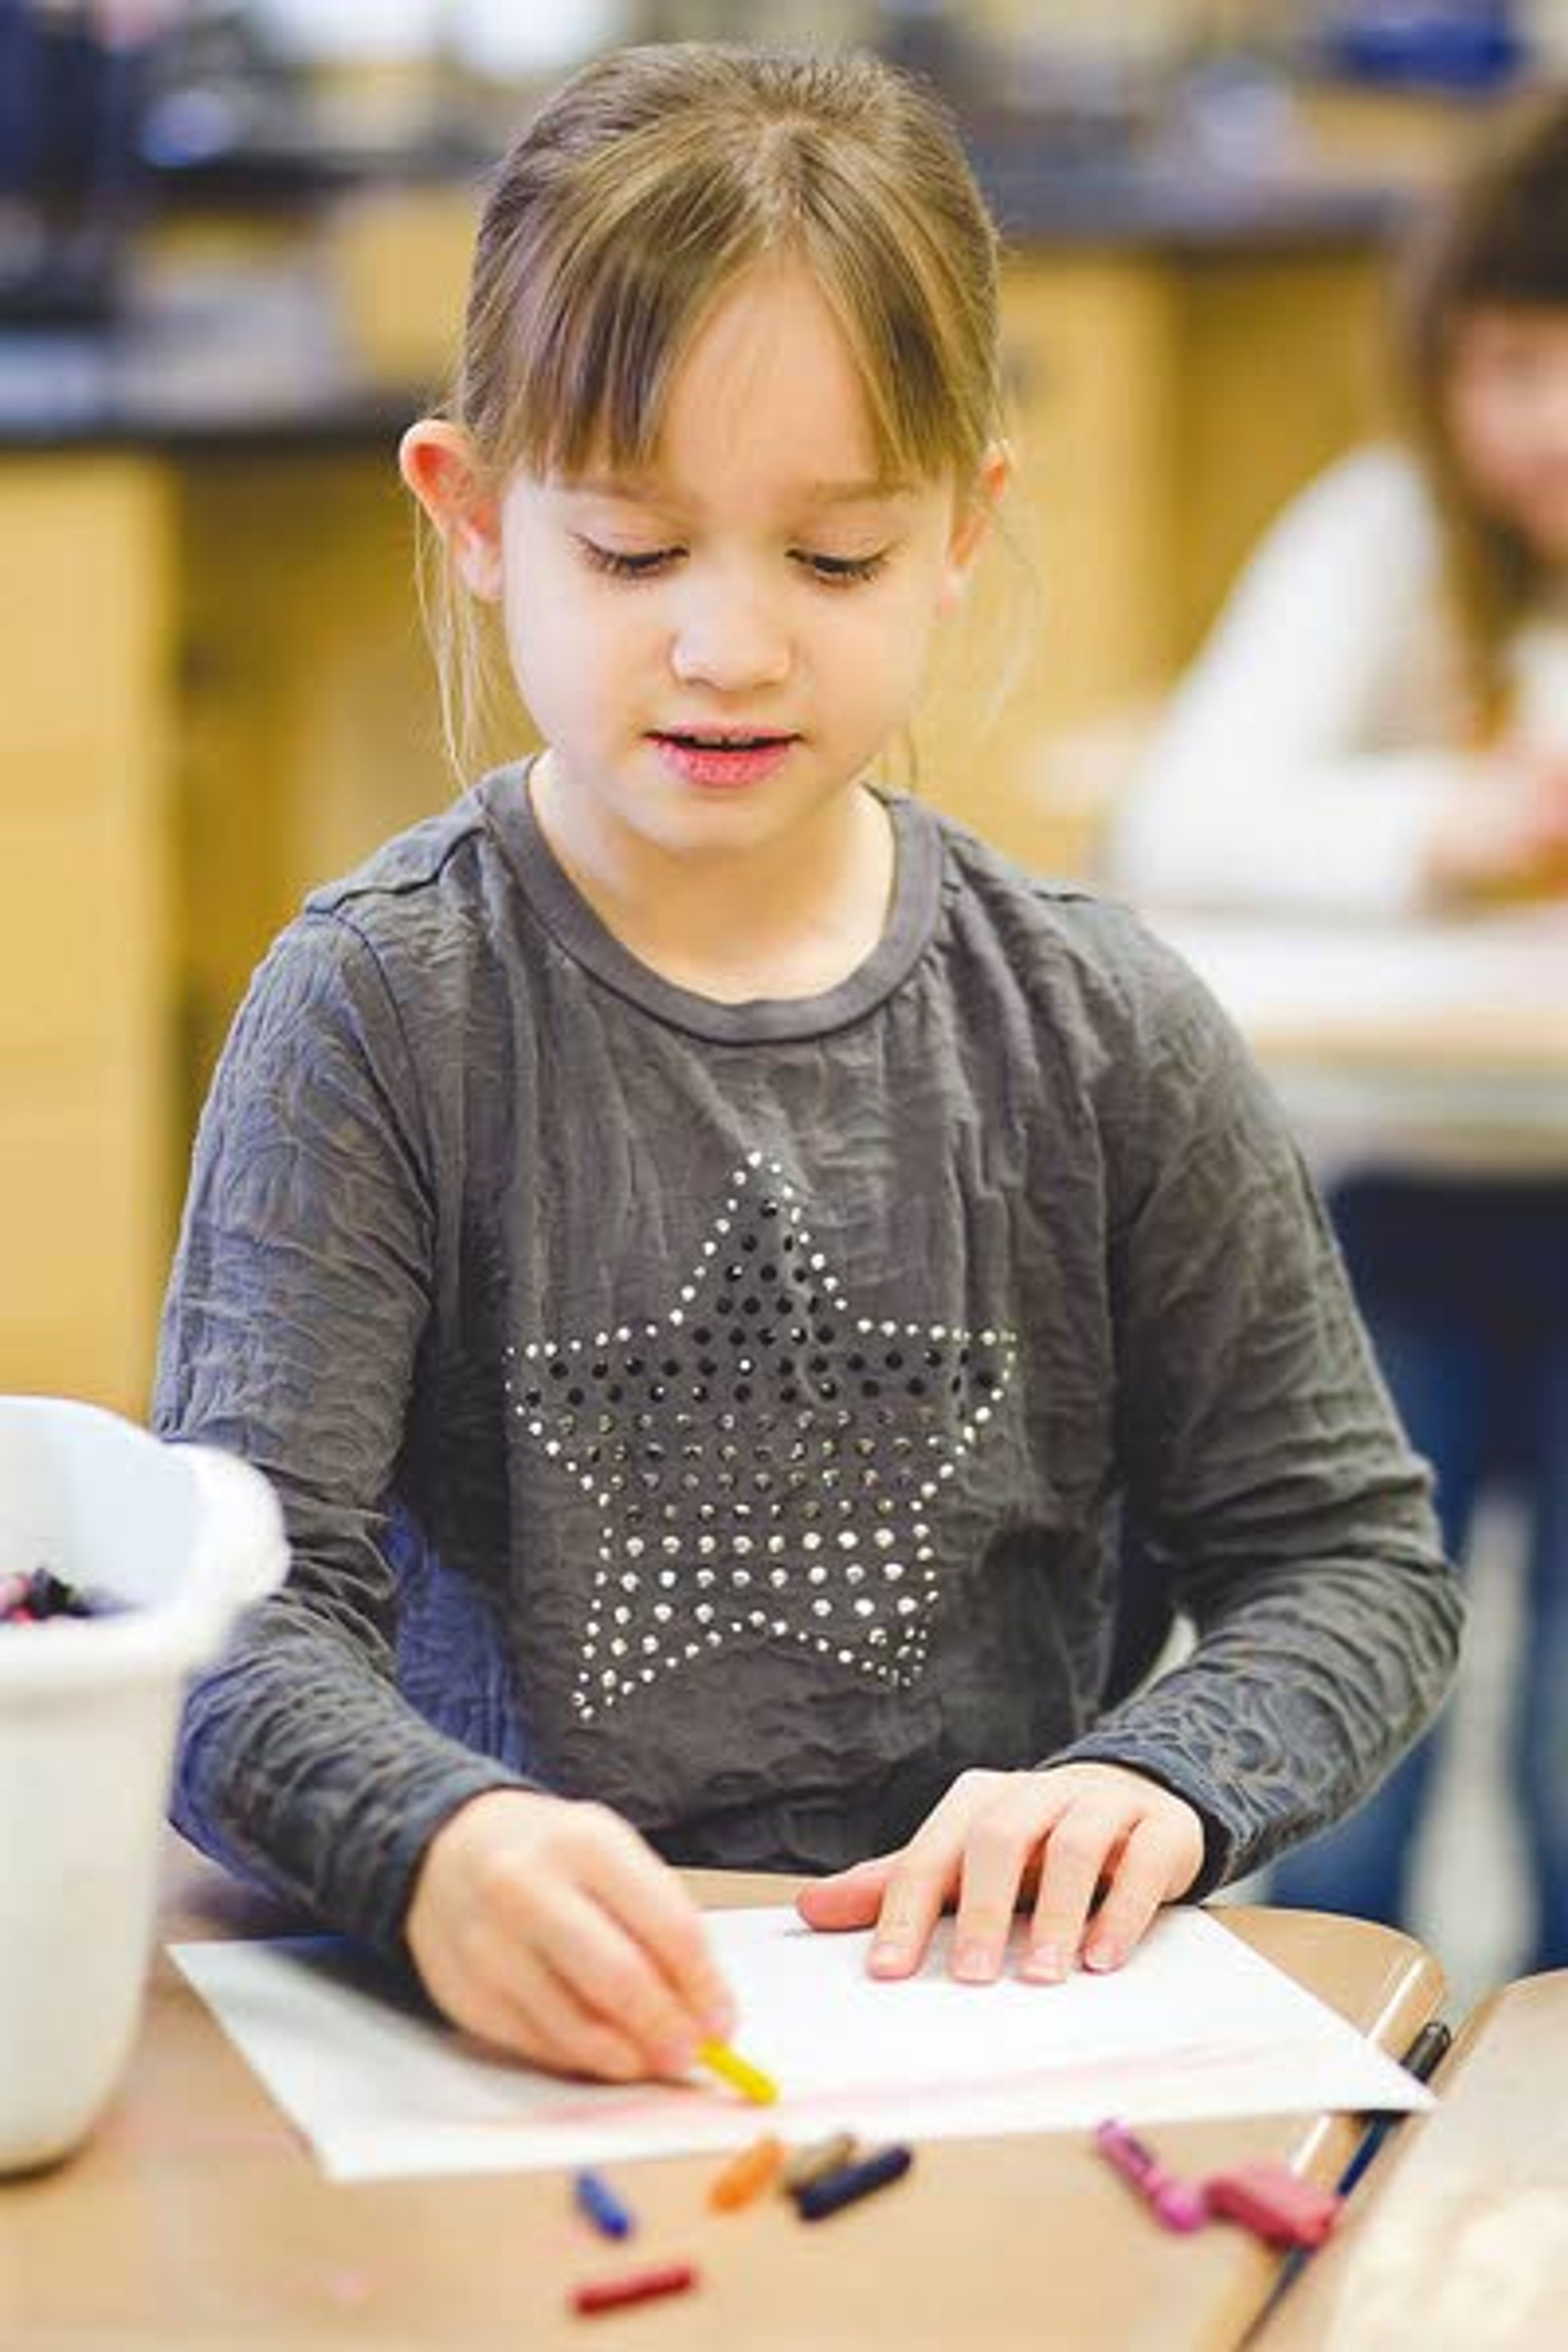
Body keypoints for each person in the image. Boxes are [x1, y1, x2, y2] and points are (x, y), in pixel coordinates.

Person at [156, 42, 1461, 2087]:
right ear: (477, 515)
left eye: (835, 560)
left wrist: (1156, 1783)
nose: (735, 645)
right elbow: (222, 1621)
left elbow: (1346, 1560)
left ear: (966, 528)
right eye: (636, 553)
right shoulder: (382, 1012)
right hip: (488, 2062)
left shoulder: (1102, 1025)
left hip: (990, 2056)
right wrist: (439, 1847)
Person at [1114, 95, 1568, 1967]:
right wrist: (1442, 831)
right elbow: (1180, 822)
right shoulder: (1383, 544)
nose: (1551, 422)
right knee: (1355, 1745)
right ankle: (1332, 2174)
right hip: (1397, 1219)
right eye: (1514, 363)